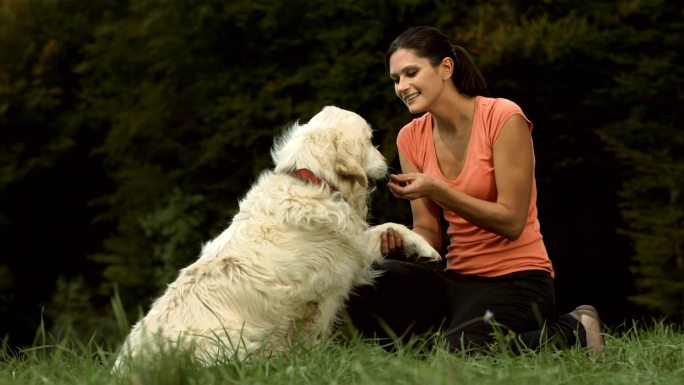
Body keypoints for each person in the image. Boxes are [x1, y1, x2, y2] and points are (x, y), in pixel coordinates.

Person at [345, 26, 604, 356]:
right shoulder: (410, 137)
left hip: (519, 279)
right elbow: (429, 233)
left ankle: (575, 329)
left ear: (446, 68)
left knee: (459, 356)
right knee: (368, 280)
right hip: (458, 280)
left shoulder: (502, 117)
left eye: (412, 73)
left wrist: (440, 188)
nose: (402, 87)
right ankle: (424, 349)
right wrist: (398, 241)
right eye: (396, 79)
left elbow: (511, 222)